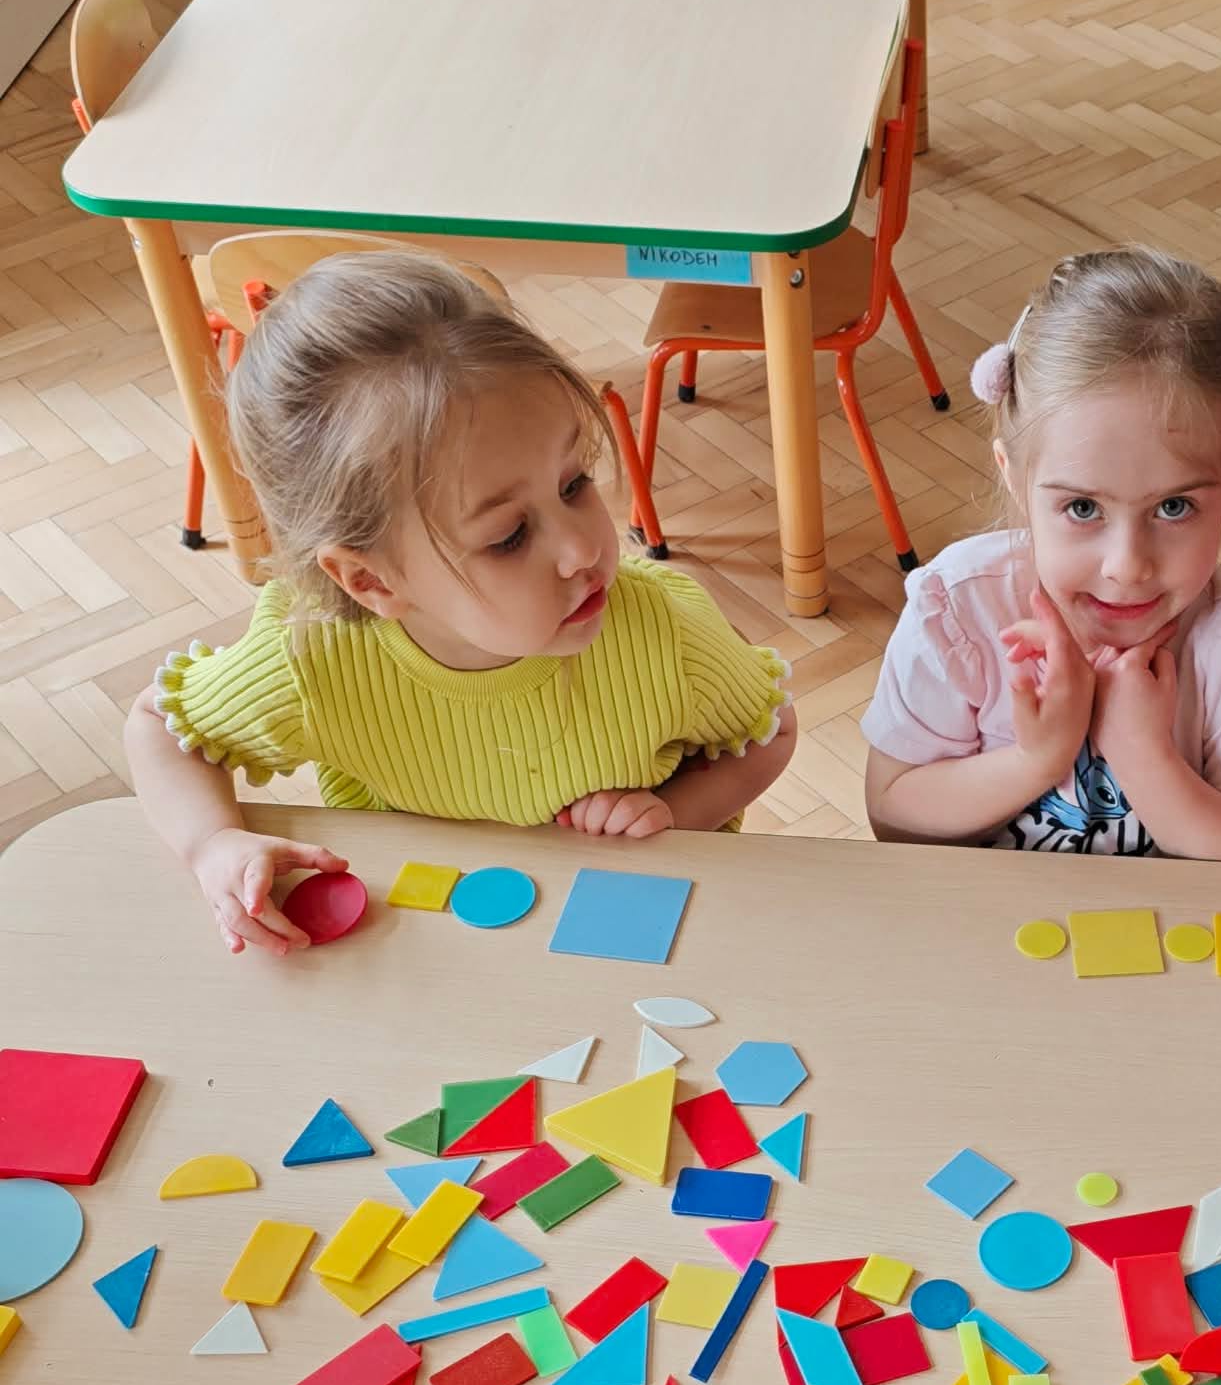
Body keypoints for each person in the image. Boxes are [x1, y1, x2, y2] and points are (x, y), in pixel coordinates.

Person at [126, 250, 794, 955]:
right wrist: (212, 844)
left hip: (626, 932)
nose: (582, 550)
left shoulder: (665, 633)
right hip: (429, 950)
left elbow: (770, 731)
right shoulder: (310, 661)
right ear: (371, 582)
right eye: (509, 537)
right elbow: (158, 726)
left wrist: (673, 811)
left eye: (574, 483)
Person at [862, 246, 1221, 861]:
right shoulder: (959, 611)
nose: (1127, 567)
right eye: (1081, 508)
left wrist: (1143, 756)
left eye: (1174, 506)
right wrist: (1036, 758)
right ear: (1015, 476)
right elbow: (892, 813)